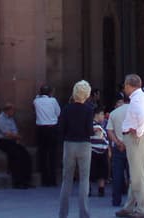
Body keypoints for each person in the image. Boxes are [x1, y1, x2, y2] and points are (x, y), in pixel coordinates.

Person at [118, 73, 144, 218]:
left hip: (136, 138)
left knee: (139, 175)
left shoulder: (137, 100)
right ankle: (129, 206)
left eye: (125, 85)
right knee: (136, 172)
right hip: (142, 136)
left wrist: (140, 131)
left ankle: (141, 209)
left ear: (128, 85)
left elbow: (142, 115)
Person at [58, 80, 95, 218]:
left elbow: (61, 128)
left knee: (66, 179)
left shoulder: (66, 109)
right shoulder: (89, 110)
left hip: (69, 144)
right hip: (84, 144)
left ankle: (63, 213)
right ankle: (84, 213)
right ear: (87, 94)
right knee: (84, 179)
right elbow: (89, 130)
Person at [0, 102, 33, 189]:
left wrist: (17, 138)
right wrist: (18, 137)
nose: (14, 112)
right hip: (3, 141)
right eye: (12, 110)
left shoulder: (11, 119)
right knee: (16, 156)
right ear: (7, 110)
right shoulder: (0, 119)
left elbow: (14, 131)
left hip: (12, 141)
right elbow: (7, 134)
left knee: (26, 155)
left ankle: (26, 180)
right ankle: (17, 182)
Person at [35, 83, 61, 186]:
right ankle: (53, 180)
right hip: (52, 128)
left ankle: (45, 180)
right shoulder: (53, 101)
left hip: (41, 129)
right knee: (52, 154)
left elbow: (36, 98)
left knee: (43, 153)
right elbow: (58, 113)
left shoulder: (36, 101)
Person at [106, 95, 129, 208]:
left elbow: (109, 131)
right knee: (134, 175)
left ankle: (116, 199)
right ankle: (135, 199)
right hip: (132, 147)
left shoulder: (114, 113)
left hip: (118, 146)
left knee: (117, 174)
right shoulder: (134, 111)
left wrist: (118, 142)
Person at [89, 107, 109, 197]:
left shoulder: (101, 125)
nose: (103, 116)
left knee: (102, 171)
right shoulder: (94, 125)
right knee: (92, 170)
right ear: (96, 115)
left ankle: (101, 188)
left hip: (102, 150)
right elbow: (99, 134)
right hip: (94, 150)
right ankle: (90, 188)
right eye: (101, 114)